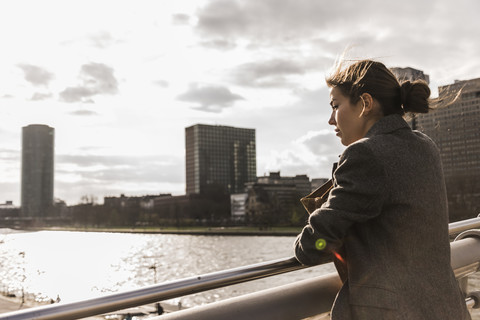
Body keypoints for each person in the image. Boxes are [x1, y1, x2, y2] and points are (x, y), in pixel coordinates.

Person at [294, 59, 470, 320]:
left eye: (336, 106)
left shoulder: (366, 154)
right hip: (445, 308)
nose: (331, 119)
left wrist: (318, 240)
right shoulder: (424, 145)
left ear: (365, 104)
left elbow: (311, 247)